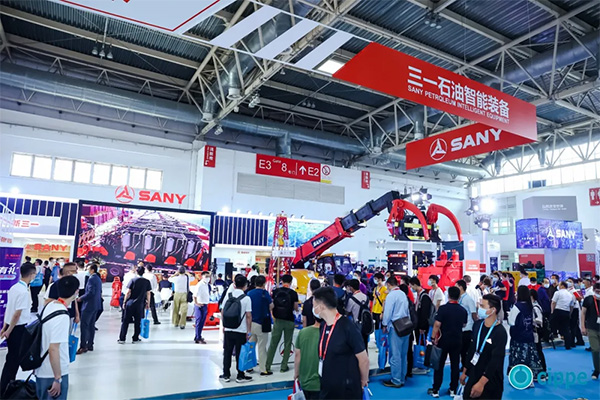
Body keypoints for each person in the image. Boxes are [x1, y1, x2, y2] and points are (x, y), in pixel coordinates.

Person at [312, 287, 369, 399]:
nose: (313, 309)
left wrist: (363, 381)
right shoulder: (323, 326)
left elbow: (363, 359)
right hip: (327, 387)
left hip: (346, 390)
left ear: (321, 306)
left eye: (314, 305)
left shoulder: (348, 327)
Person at [34, 275, 79, 400]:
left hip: (41, 368)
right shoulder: (62, 315)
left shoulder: (49, 306)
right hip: (53, 372)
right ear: (76, 292)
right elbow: (53, 348)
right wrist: (57, 378)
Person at [460, 294, 508, 400]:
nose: (479, 308)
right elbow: (472, 349)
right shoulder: (477, 325)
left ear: (493, 310)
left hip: (491, 379)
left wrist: (481, 383)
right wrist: (465, 371)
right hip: (474, 373)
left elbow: (496, 360)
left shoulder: (500, 332)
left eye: (482, 306)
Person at [0, 263, 36, 395]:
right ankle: (6, 389)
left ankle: (7, 386)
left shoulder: (14, 287)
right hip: (17, 329)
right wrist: (8, 331)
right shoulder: (23, 292)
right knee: (13, 361)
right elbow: (17, 314)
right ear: (31, 275)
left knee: (11, 359)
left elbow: (9, 309)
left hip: (11, 326)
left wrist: (5, 327)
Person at [428, 286, 467, 398]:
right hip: (457, 340)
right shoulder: (463, 310)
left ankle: (436, 389)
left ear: (448, 295)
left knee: (439, 365)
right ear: (459, 296)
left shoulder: (443, 309)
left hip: (443, 340)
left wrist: (432, 337)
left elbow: (437, 324)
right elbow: (464, 324)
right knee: (455, 365)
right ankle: (453, 389)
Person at [220, 274, 253, 384]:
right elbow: (248, 316)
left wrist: (224, 325)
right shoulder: (246, 298)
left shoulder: (228, 295)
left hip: (228, 329)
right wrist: (249, 331)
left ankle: (226, 374)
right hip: (241, 330)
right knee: (240, 353)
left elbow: (223, 311)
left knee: (227, 352)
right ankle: (240, 375)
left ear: (234, 284)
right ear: (245, 285)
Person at [507, 286, 543, 382]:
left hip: (518, 336)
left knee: (518, 357)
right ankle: (534, 375)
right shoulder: (530, 306)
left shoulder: (517, 306)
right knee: (530, 356)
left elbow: (511, 322)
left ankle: (519, 377)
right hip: (529, 335)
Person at [265, 274, 299, 373]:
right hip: (289, 320)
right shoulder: (293, 293)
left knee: (273, 343)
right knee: (287, 343)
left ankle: (268, 366)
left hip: (278, 320)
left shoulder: (276, 291)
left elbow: (272, 305)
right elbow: (296, 307)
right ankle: (283, 367)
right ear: (291, 282)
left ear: (282, 281)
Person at [382, 276, 410, 389]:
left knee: (395, 355)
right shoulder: (403, 294)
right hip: (406, 326)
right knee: (403, 354)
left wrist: (384, 324)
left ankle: (396, 380)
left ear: (389, 284)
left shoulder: (391, 296)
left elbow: (387, 313)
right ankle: (402, 378)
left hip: (395, 327)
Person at [247, 275, 274, 375]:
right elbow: (271, 306)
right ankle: (263, 369)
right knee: (262, 348)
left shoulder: (249, 293)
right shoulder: (265, 293)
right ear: (264, 283)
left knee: (251, 346)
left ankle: (249, 367)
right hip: (262, 324)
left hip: (251, 323)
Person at [118, 266, 151, 344]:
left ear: (136, 272)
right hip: (140, 304)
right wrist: (148, 303)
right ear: (144, 272)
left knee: (125, 321)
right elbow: (148, 293)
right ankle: (135, 338)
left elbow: (128, 292)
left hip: (130, 303)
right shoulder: (147, 281)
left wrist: (124, 302)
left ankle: (122, 339)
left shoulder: (133, 280)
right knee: (137, 322)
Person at [77, 263, 102, 354]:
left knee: (84, 326)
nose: (87, 271)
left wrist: (81, 298)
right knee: (91, 325)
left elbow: (91, 292)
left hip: (89, 305)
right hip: (96, 305)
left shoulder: (91, 279)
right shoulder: (97, 278)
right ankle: (90, 344)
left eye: (88, 269)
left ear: (92, 270)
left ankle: (83, 346)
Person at [294, 315, 321, 399]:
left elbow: (297, 355)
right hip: (322, 383)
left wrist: (296, 374)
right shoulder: (328, 334)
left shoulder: (303, 332)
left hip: (305, 381)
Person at [410, 277, 432, 375]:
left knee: (422, 345)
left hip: (422, 326)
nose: (411, 288)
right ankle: (420, 364)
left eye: (411, 286)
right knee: (420, 344)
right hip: (418, 325)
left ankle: (424, 365)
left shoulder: (424, 297)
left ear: (415, 285)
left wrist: (422, 327)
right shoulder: (419, 296)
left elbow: (424, 314)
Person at [456, 280, 478, 371]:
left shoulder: (468, 299)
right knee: (461, 350)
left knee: (466, 350)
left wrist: (477, 326)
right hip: (460, 328)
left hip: (467, 328)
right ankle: (464, 365)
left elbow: (473, 314)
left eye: (456, 286)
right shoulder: (459, 298)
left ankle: (467, 367)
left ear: (461, 287)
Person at [581, 283, 600, 380]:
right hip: (592, 328)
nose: (598, 292)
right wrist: (583, 326)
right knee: (595, 349)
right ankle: (597, 370)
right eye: (597, 291)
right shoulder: (588, 299)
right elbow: (583, 313)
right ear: (594, 290)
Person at [346, 279, 369, 350]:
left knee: (357, 344)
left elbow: (347, 311)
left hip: (357, 324)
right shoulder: (366, 297)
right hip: (366, 323)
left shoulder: (351, 299)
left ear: (351, 287)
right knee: (365, 343)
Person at [551, 281, 574, 350]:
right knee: (566, 328)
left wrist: (552, 312)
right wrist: (569, 313)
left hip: (558, 311)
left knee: (552, 325)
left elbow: (553, 302)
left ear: (562, 286)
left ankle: (551, 337)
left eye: (559, 285)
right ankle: (568, 345)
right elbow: (571, 306)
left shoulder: (557, 293)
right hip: (566, 311)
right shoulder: (570, 294)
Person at [530, 289, 547, 374]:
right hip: (535, 332)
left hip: (537, 332)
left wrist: (530, 321)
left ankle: (543, 369)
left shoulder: (535, 307)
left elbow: (539, 321)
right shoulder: (533, 306)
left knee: (538, 350)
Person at [193, 271, 211, 344]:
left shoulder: (207, 285)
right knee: (199, 321)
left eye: (208, 277)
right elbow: (194, 295)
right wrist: (196, 303)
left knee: (202, 322)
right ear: (202, 277)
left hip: (205, 304)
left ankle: (198, 336)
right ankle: (198, 337)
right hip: (199, 305)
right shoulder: (199, 285)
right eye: (206, 276)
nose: (208, 278)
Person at [567, 278, 585, 346]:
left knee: (573, 326)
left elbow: (579, 298)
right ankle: (580, 340)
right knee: (575, 326)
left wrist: (575, 302)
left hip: (574, 308)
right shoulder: (567, 290)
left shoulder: (573, 291)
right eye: (568, 281)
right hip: (570, 308)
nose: (568, 282)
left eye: (570, 281)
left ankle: (572, 341)